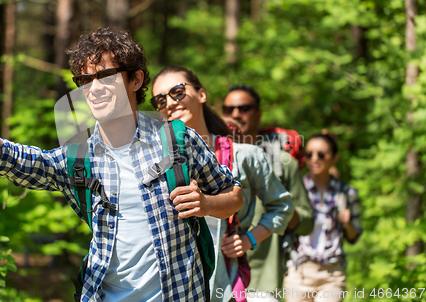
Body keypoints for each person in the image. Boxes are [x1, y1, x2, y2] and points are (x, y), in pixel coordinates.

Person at [0, 28, 244, 302]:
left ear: (136, 79)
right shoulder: (77, 158)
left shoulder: (177, 139)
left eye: (105, 76)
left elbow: (233, 197)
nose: (93, 88)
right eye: (84, 81)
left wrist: (205, 204)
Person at [151, 65, 294, 302]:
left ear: (202, 94)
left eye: (177, 91)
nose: (170, 102)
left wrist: (249, 239)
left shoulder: (245, 156)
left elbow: (282, 206)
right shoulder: (157, 163)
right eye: (160, 99)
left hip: (227, 283)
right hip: (177, 287)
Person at [222, 85, 314, 302]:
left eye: (244, 108)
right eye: (228, 109)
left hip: (263, 282)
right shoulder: (213, 159)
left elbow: (307, 222)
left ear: (258, 114)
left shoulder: (283, 164)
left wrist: (279, 206)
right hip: (221, 277)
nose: (235, 114)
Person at [283, 133, 362, 302]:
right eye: (309, 154)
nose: (314, 159)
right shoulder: (296, 190)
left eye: (321, 154)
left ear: (334, 158)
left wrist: (347, 224)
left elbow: (354, 237)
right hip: (299, 272)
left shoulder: (347, 193)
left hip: (332, 274)